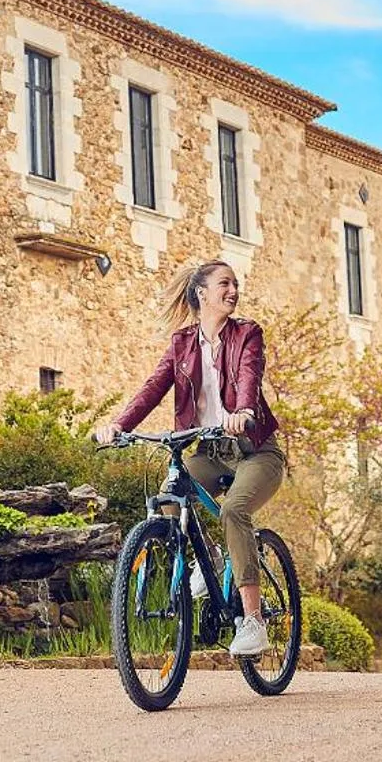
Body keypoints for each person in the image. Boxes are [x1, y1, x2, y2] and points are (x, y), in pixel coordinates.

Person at [96, 259, 284, 656]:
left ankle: (253, 621)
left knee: (234, 511)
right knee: (169, 496)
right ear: (202, 293)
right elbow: (153, 388)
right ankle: (210, 559)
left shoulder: (247, 333)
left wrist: (244, 413)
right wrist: (119, 425)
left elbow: (249, 375)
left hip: (254, 451)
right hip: (210, 451)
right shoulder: (182, 344)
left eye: (235, 284)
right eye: (224, 284)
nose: (233, 291)